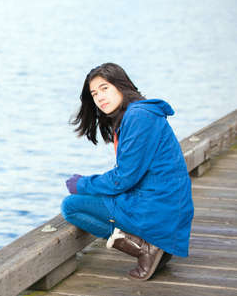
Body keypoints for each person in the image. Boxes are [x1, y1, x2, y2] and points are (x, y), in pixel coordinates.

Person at [61, 63, 194, 281]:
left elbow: (124, 178)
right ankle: (155, 245)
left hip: (157, 206)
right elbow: (128, 175)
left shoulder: (139, 117)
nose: (99, 97)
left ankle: (144, 249)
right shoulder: (139, 113)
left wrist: (82, 184)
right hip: (163, 204)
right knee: (92, 196)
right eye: (94, 93)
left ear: (121, 85)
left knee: (71, 206)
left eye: (104, 88)